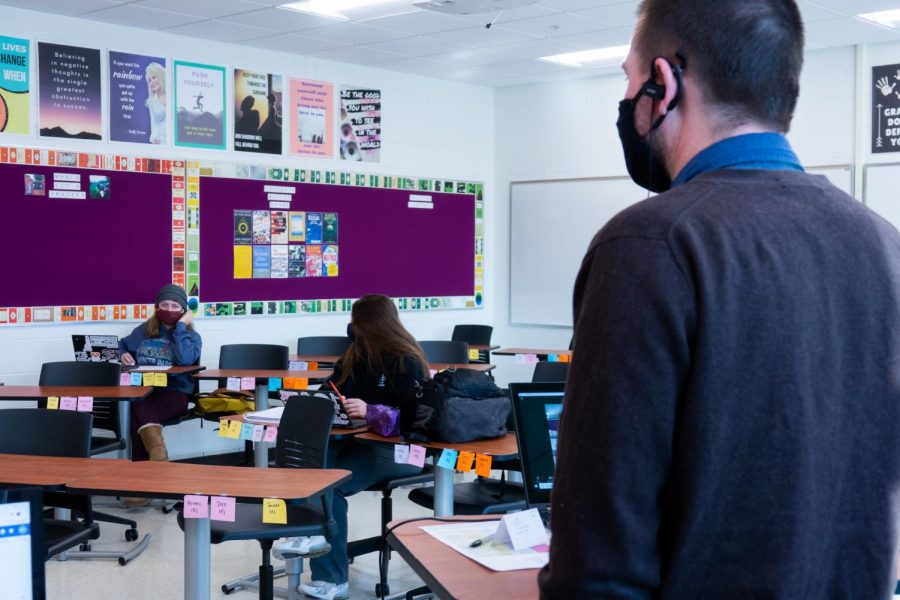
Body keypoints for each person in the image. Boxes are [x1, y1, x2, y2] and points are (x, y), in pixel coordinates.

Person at [539, 1, 900, 598]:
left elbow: (597, 560)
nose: (628, 102)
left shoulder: (650, 245)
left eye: (629, 81)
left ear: (666, 81)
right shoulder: (884, 244)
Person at [275, 294, 428, 600]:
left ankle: (332, 580)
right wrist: (309, 402)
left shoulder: (406, 360)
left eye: (355, 319)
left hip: (399, 450)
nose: (350, 325)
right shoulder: (355, 356)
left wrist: (371, 410)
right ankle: (304, 532)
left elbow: (419, 420)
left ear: (370, 323)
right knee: (303, 467)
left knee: (328, 486)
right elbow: (330, 391)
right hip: (359, 444)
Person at [119, 284, 201, 472]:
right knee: (136, 404)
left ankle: (141, 483)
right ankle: (157, 460)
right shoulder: (143, 331)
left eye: (174, 306)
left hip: (175, 393)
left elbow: (186, 359)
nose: (168, 310)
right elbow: (121, 344)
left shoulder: (192, 336)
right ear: (157, 307)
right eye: (164, 305)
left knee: (135, 416)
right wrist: (122, 354)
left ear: (183, 310)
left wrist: (180, 326)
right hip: (145, 391)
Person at [144, 62, 166, 145]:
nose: (152, 82)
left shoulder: (173, 94)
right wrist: (155, 139)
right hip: (163, 142)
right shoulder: (152, 103)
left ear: (160, 76)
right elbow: (154, 126)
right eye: (149, 81)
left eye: (154, 78)